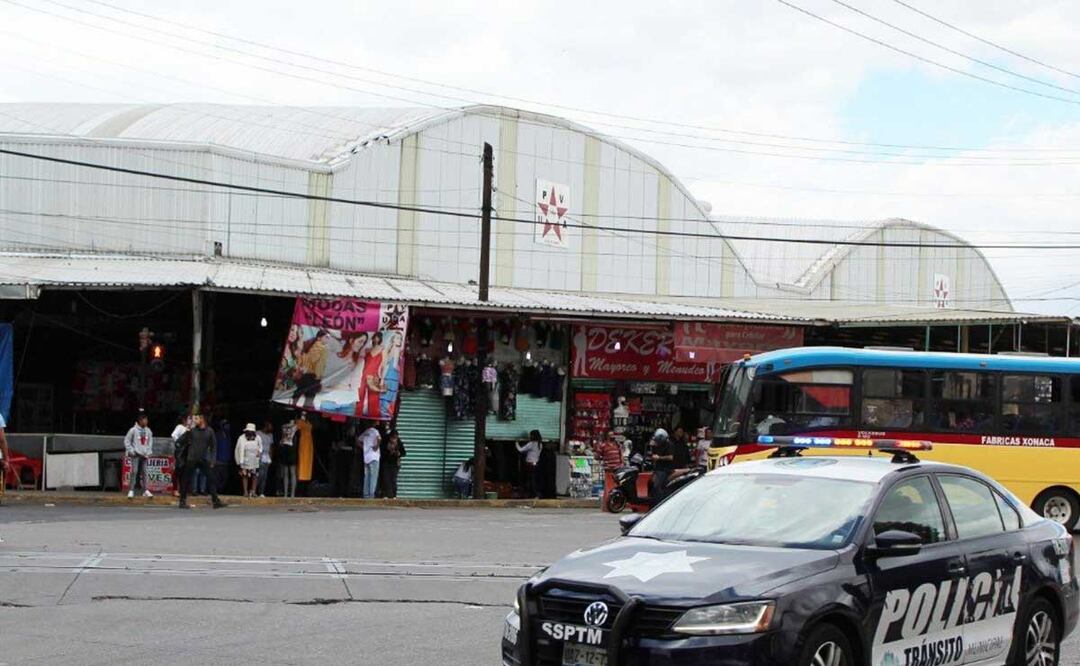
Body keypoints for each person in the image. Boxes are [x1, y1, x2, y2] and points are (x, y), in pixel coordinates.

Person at [177, 412, 225, 509]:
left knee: (211, 479)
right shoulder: (192, 431)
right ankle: (182, 501)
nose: (195, 420)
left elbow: (213, 447)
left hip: (203, 459)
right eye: (194, 419)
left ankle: (216, 501)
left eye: (197, 418)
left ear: (202, 419)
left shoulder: (209, 431)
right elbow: (180, 442)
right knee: (185, 480)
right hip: (191, 458)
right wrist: (187, 431)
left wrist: (212, 460)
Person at [293, 329, 329, 408]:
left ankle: (293, 407)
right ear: (319, 338)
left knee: (300, 393)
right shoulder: (322, 348)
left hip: (305, 374)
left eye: (328, 337)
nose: (328, 339)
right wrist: (319, 377)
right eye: (326, 337)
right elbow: (320, 364)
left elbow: (303, 359)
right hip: (313, 376)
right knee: (309, 397)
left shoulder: (309, 344)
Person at [124, 409, 154, 499]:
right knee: (134, 471)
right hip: (136, 454)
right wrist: (131, 451)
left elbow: (150, 442)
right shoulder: (133, 430)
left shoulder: (148, 431)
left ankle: (145, 490)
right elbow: (127, 441)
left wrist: (148, 451)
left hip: (144, 454)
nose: (147, 421)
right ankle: (131, 490)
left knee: (145, 472)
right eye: (145, 420)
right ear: (140, 421)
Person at [358, 332, 385, 418]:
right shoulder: (368, 349)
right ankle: (357, 414)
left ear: (380, 339)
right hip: (364, 372)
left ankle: (374, 417)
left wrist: (382, 379)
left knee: (373, 398)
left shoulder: (382, 349)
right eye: (375, 337)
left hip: (373, 374)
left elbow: (383, 366)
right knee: (359, 396)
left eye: (378, 338)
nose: (376, 339)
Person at [234, 423, 262, 499]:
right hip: (244, 459)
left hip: (254, 459)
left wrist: (259, 452)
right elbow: (237, 449)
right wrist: (239, 461)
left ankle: (253, 491)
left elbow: (260, 447)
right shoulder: (241, 438)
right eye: (248, 431)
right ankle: (245, 491)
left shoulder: (258, 438)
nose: (250, 433)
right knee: (244, 475)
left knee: (255, 475)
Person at [649, 428, 675, 500]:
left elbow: (670, 457)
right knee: (651, 483)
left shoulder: (669, 445)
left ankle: (659, 502)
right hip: (658, 468)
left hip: (665, 469)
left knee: (657, 486)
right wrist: (652, 446)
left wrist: (659, 458)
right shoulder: (658, 445)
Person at [516, 430, 542, 499]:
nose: (530, 436)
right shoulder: (540, 444)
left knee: (529, 480)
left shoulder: (531, 444)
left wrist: (516, 443)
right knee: (533, 479)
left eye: (531, 435)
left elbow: (520, 450)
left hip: (530, 465)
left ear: (533, 436)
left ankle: (533, 494)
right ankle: (534, 494)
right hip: (536, 464)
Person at [381, 429, 406, 499]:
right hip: (386, 463)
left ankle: (394, 495)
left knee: (393, 480)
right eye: (393, 438)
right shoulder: (386, 442)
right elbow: (382, 452)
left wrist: (399, 453)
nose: (394, 440)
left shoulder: (399, 443)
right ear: (390, 437)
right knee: (386, 479)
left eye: (395, 438)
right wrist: (389, 452)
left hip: (395, 464)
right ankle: (386, 494)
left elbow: (404, 452)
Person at [277, 418, 299, 498]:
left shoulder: (295, 427)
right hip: (285, 449)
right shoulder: (284, 427)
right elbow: (283, 426)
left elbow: (295, 426)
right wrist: (288, 425)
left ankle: (292, 494)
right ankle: (286, 494)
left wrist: (291, 424)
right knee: (285, 473)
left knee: (292, 473)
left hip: (292, 450)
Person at [170, 414, 190, 498]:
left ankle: (183, 490)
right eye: (189, 419)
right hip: (180, 453)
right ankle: (175, 490)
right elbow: (173, 435)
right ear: (184, 420)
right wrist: (179, 445)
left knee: (185, 471)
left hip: (188, 452)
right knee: (178, 470)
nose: (190, 421)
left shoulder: (190, 429)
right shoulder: (180, 427)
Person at [360, 422, 381, 499]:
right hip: (374, 457)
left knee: (367, 476)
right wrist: (376, 446)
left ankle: (366, 495)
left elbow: (358, 440)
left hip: (366, 457)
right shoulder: (375, 431)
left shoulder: (365, 432)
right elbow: (379, 439)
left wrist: (364, 448)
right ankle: (371, 495)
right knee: (373, 477)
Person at [214, 419, 232, 495]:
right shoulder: (217, 435)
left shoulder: (228, 436)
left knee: (225, 477)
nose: (228, 427)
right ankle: (216, 491)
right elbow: (214, 447)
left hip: (226, 460)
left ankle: (220, 490)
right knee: (217, 477)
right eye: (226, 425)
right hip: (218, 460)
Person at [256, 421, 274, 498]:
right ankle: (254, 490)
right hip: (259, 456)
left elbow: (271, 447)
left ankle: (261, 492)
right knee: (259, 474)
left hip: (266, 457)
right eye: (270, 426)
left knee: (264, 476)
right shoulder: (258, 433)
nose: (271, 428)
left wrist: (271, 457)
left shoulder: (270, 435)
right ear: (266, 426)